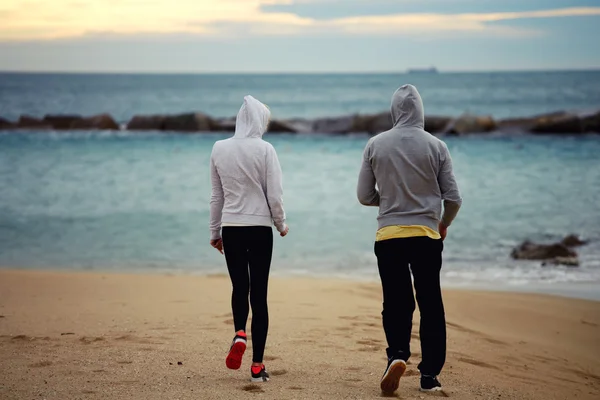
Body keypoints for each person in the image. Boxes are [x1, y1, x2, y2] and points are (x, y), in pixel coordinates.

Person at [357, 84, 462, 394]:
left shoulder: (375, 144)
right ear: (421, 111)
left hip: (388, 235)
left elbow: (364, 196)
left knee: (396, 301)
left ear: (394, 111)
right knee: (431, 303)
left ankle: (398, 355)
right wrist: (442, 222)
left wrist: (390, 201)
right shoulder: (437, 146)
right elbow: (454, 197)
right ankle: (429, 376)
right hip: (426, 236)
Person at [209, 95, 289, 383]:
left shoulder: (219, 148)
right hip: (259, 229)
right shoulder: (266, 150)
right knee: (260, 295)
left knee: (239, 287)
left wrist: (214, 232)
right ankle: (257, 367)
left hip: (231, 226)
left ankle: (239, 332)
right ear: (259, 121)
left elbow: (217, 196)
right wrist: (280, 224)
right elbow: (274, 194)